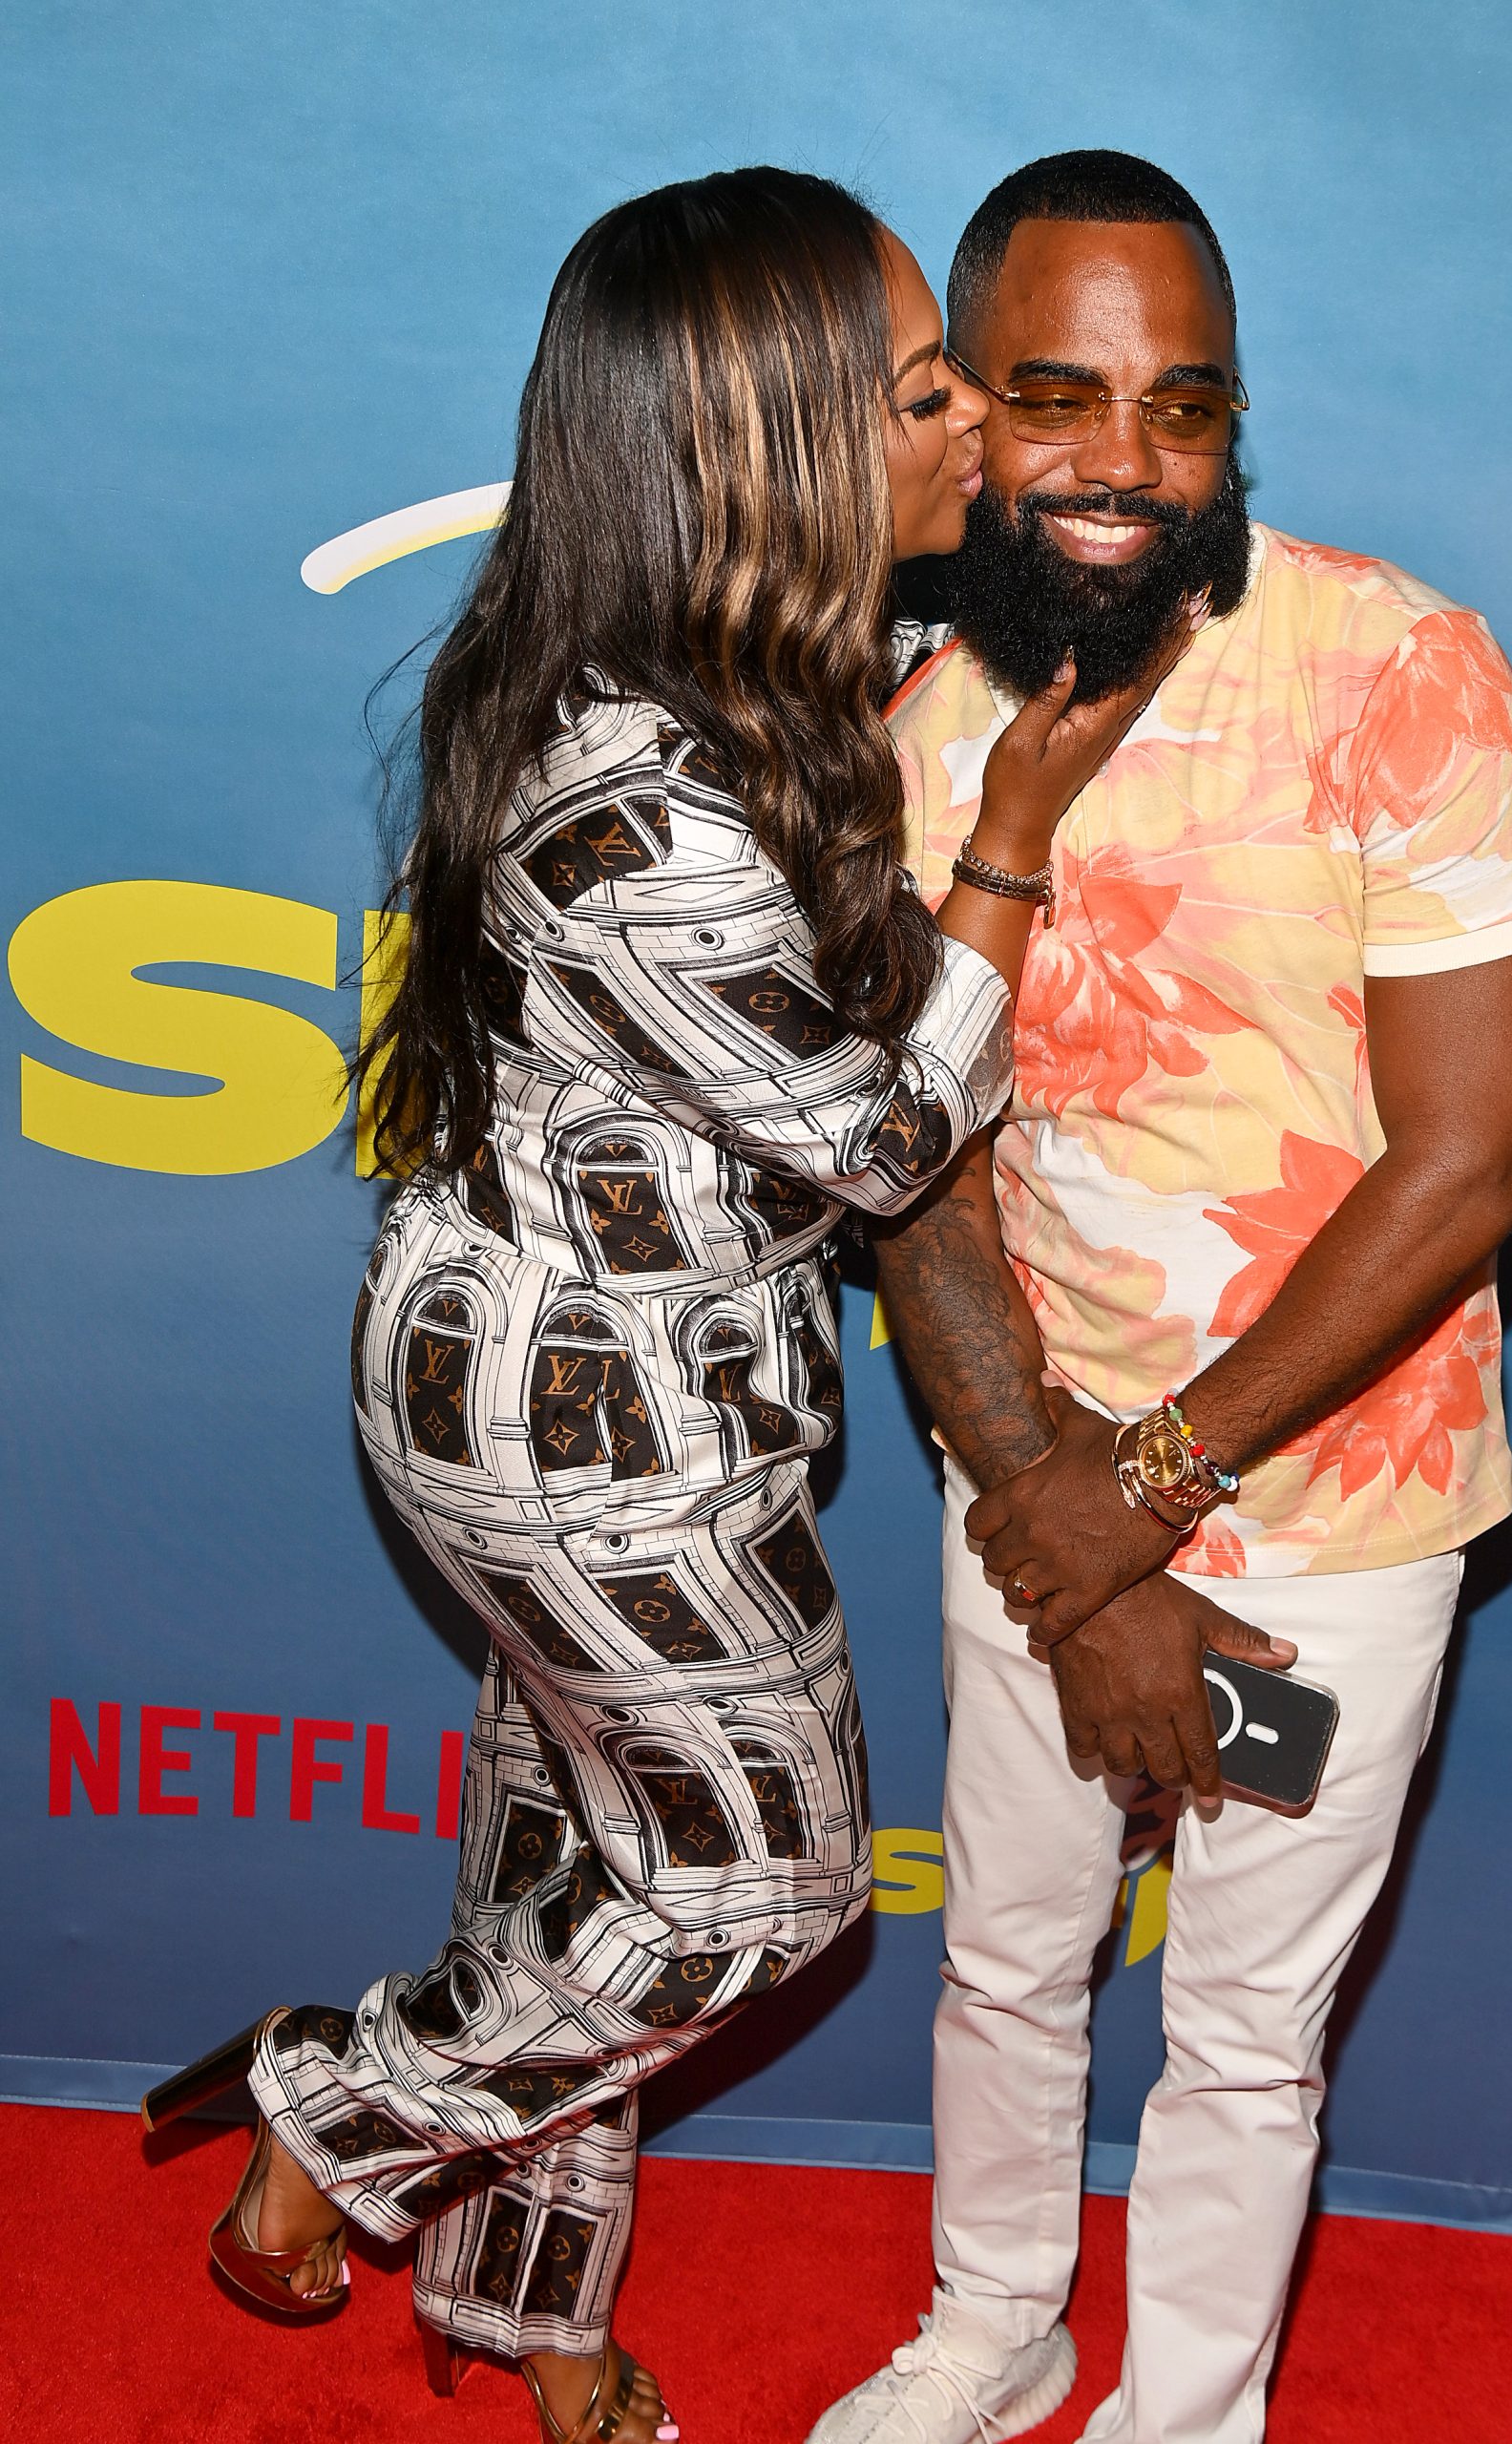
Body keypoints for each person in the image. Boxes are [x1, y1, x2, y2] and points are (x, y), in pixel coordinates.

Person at [140, 166, 1184, 2444]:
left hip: (610, 1381)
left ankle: (537, 2318)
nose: (974, 432)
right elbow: (884, 1144)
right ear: (768, 438)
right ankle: (332, 2106)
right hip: (584, 1429)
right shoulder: (639, 808)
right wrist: (1008, 835)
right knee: (759, 1888)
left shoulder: (734, 684)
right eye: (921, 394)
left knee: (577, 1868)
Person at [811, 150, 1512, 2444]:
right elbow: (916, 1169)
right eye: (1058, 396)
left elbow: (1468, 1164)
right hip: (1029, 1475)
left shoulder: (1401, 675)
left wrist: (1141, 1494)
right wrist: (1061, 1502)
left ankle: (1187, 2413)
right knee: (1009, 1957)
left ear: (1239, 418)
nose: (1126, 459)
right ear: (965, 401)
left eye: (1185, 405)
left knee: (1245, 2027)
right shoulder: (902, 723)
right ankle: (995, 2325)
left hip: (1337, 1496)